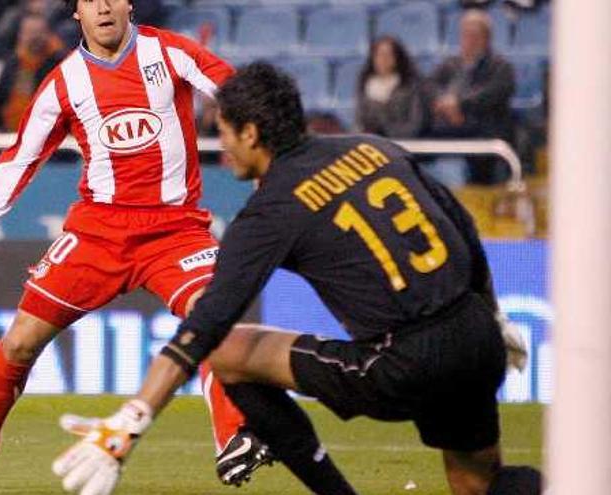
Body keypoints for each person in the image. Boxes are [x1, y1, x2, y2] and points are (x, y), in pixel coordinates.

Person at [50, 62, 541, 495]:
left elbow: (209, 323)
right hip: (476, 336)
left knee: (229, 356)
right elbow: (460, 225)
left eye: (223, 132)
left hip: (404, 362)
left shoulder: (273, 210)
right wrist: (491, 314)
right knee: (478, 483)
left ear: (249, 133)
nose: (221, 149)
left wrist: (133, 419)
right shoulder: (373, 148)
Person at [0, 0, 268, 486]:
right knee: (19, 341)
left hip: (176, 231)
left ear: (127, 4)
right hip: (97, 234)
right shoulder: (64, 82)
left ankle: (234, 438)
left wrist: (275, 158)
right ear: (76, 12)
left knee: (213, 319)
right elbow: (21, 159)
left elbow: (241, 96)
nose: (102, 6)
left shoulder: (170, 52)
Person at [428, 9, 515, 184]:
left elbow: (492, 94)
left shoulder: (500, 67)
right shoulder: (450, 64)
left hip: (483, 132)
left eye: (475, 35)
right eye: (466, 35)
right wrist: (445, 104)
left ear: (486, 38)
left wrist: (459, 105)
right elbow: (430, 87)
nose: (469, 40)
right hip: (449, 129)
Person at [0, 13, 66, 132]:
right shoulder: (12, 63)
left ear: (48, 34)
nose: (34, 37)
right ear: (20, 36)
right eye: (29, 32)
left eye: (38, 32)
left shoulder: (62, 64)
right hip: (8, 133)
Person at [355, 35, 429, 139]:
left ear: (397, 58)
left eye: (388, 55)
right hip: (371, 144)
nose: (383, 59)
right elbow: (359, 120)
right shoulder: (365, 84)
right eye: (379, 55)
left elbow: (415, 123)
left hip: (403, 143)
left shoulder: (411, 86)